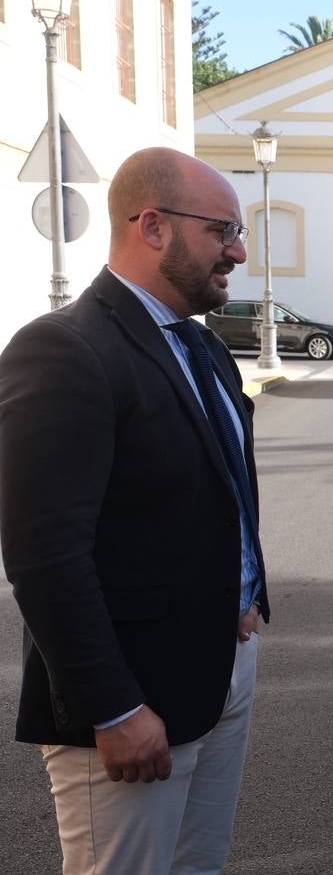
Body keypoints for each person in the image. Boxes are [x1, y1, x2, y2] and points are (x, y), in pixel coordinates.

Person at [0, 147, 269, 873]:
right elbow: (44, 556)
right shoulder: (64, 350)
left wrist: (245, 593)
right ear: (152, 226)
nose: (238, 252)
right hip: (131, 701)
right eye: (222, 231)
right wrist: (112, 708)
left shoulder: (203, 345)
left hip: (219, 668)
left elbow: (221, 487)